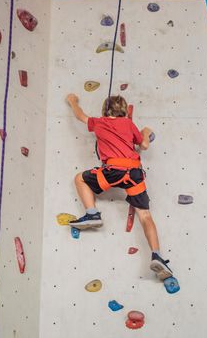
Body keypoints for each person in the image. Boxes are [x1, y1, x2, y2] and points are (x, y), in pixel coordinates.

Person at [65, 93, 173, 280]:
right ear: (123, 111)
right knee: (145, 215)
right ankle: (157, 255)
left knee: (79, 179)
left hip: (112, 172)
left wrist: (72, 101)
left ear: (105, 111)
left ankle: (92, 213)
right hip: (134, 174)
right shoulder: (128, 124)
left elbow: (80, 115)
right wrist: (146, 131)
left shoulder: (99, 122)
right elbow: (144, 145)